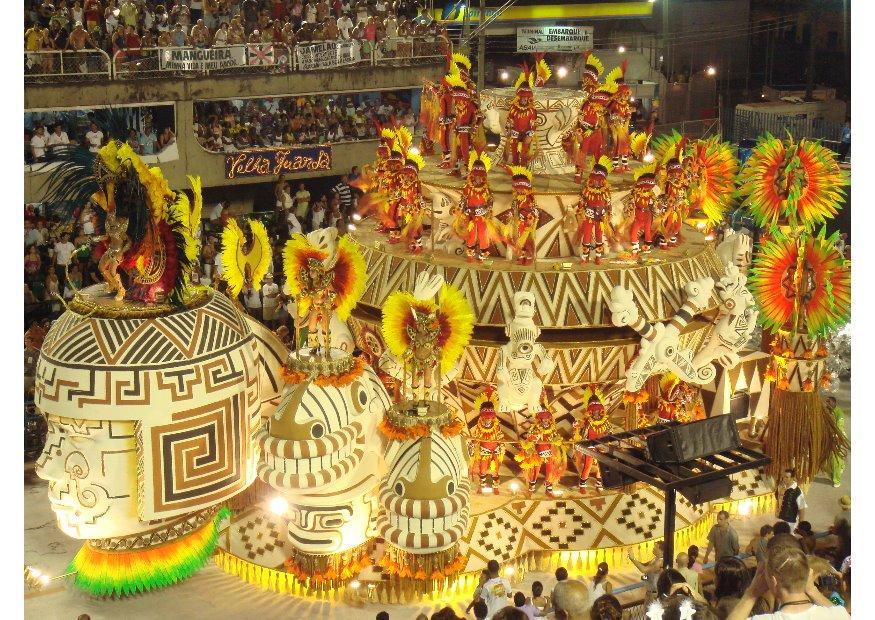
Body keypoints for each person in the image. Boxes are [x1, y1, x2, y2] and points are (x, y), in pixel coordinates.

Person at [726, 546, 849, 620]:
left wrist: (751, 594)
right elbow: (838, 611)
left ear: (774, 582)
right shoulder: (839, 614)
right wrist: (812, 590)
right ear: (808, 576)